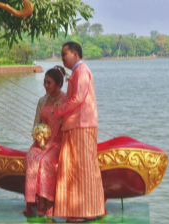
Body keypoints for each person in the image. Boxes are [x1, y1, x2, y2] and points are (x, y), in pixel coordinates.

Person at [53, 42, 105, 222]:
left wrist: (58, 111)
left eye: (64, 54)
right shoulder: (77, 71)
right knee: (80, 168)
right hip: (78, 125)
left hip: (81, 126)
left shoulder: (81, 71)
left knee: (80, 168)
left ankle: (83, 211)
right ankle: (86, 210)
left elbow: (77, 99)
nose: (62, 57)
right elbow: (74, 98)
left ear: (75, 54)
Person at [23, 66, 67, 218]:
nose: (46, 85)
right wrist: (38, 136)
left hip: (59, 142)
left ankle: (50, 202)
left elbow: (68, 125)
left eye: (49, 83)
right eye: (44, 82)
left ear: (59, 84)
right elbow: (36, 123)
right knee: (32, 158)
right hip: (41, 142)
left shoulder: (66, 100)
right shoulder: (42, 101)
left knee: (47, 161)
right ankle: (39, 201)